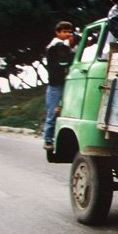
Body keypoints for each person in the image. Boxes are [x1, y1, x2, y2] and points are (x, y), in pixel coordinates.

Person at [42, 21, 76, 151]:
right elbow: (64, 60)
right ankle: (48, 140)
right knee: (53, 112)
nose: (67, 34)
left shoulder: (65, 46)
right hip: (55, 84)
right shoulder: (55, 46)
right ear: (57, 33)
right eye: (64, 32)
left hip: (65, 82)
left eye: (69, 32)